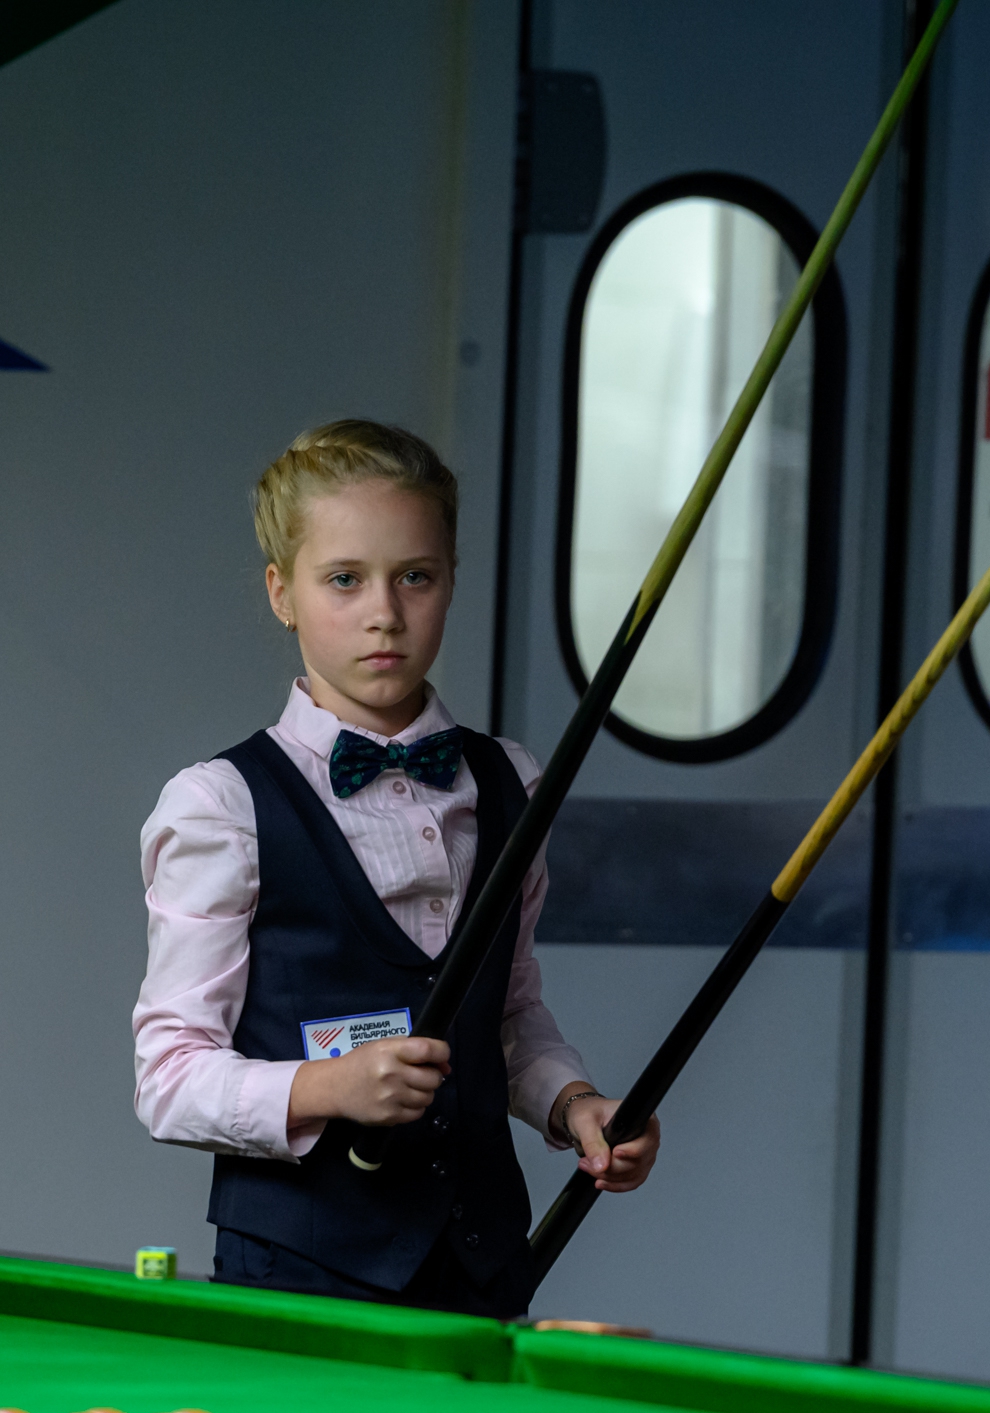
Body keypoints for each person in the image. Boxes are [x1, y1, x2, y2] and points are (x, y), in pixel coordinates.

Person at [132, 419, 660, 1317]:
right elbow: (168, 1077)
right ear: (282, 592)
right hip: (299, 1275)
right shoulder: (220, 804)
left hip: (482, 1266)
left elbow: (508, 1014)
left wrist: (573, 1103)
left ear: (451, 579)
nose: (385, 611)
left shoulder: (513, 783)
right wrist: (325, 1087)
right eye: (344, 579)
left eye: (415, 576)